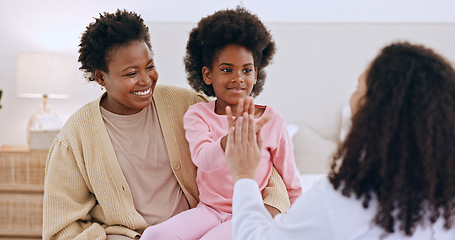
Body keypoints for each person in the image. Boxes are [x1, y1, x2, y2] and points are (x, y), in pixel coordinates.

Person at [42, 9, 290, 240]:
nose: (146, 80)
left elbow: (259, 161)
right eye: (131, 73)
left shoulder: (188, 105)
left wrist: (270, 207)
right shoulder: (75, 138)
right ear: (100, 76)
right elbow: (61, 229)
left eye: (149, 67)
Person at [227, 42, 455, 239]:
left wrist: (245, 176)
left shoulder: (341, 202)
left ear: (375, 112)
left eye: (359, 88)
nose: (352, 96)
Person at [140, 7, 302, 240]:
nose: (238, 78)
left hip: (250, 213)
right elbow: (203, 160)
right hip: (209, 210)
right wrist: (229, 141)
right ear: (207, 75)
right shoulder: (197, 115)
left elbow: (291, 182)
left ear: (256, 75)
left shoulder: (272, 120)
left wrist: (300, 223)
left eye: (246, 70)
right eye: (227, 70)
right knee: (153, 235)